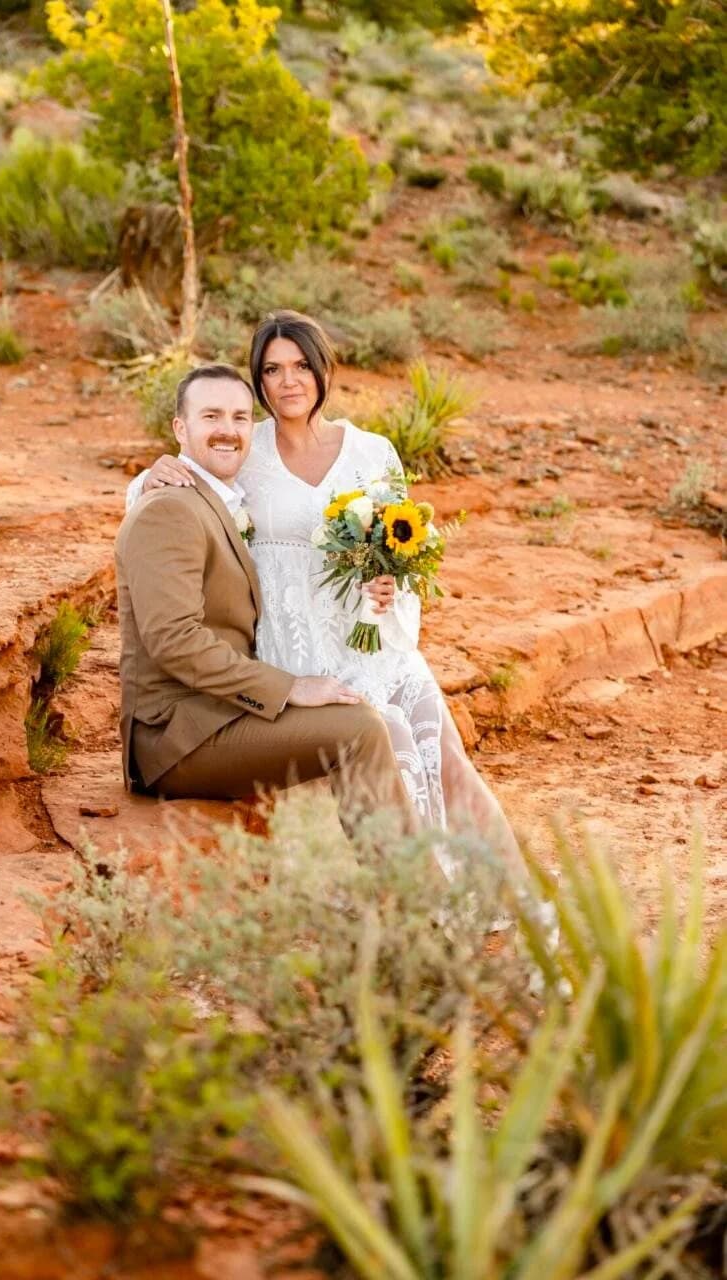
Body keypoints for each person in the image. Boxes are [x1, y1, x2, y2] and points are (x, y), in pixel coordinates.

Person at [127, 311, 523, 874]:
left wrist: (390, 586)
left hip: (371, 639)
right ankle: (410, 897)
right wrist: (151, 474)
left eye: (300, 366)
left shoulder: (373, 452)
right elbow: (183, 498)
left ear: (322, 370)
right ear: (259, 381)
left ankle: (494, 897)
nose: (289, 381)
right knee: (377, 742)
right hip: (295, 646)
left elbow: (404, 542)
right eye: (272, 369)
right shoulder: (245, 446)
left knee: (443, 756)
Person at [116, 361, 420, 838]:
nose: (228, 431)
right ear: (180, 427)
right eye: (211, 416)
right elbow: (172, 640)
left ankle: (378, 887)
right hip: (178, 737)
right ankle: (413, 903)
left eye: (240, 418)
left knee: (357, 712)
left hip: (216, 713)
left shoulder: (217, 499)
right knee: (358, 729)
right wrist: (289, 687)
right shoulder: (171, 507)